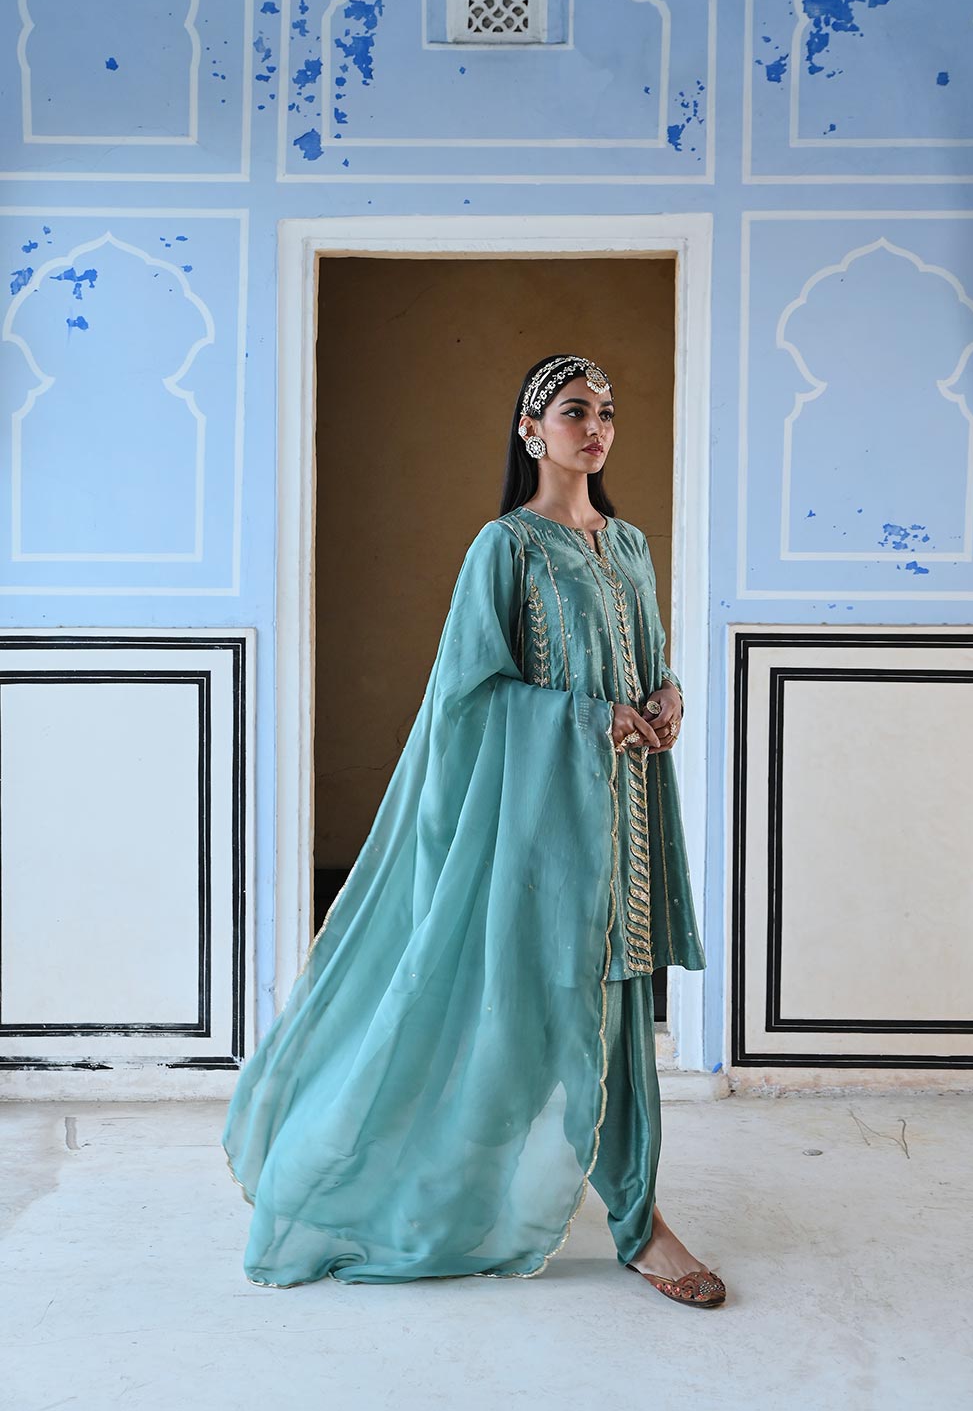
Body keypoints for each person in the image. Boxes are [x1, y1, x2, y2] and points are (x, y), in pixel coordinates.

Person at [222, 353, 726, 1308]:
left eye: (606, 412)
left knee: (622, 1017)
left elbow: (651, 661)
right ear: (532, 430)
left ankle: (641, 1221)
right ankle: (423, 1192)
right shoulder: (507, 548)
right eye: (574, 411)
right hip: (538, 828)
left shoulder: (629, 545)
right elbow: (469, 692)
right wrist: (589, 717)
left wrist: (667, 697)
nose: (596, 427)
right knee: (513, 1021)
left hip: (623, 823)